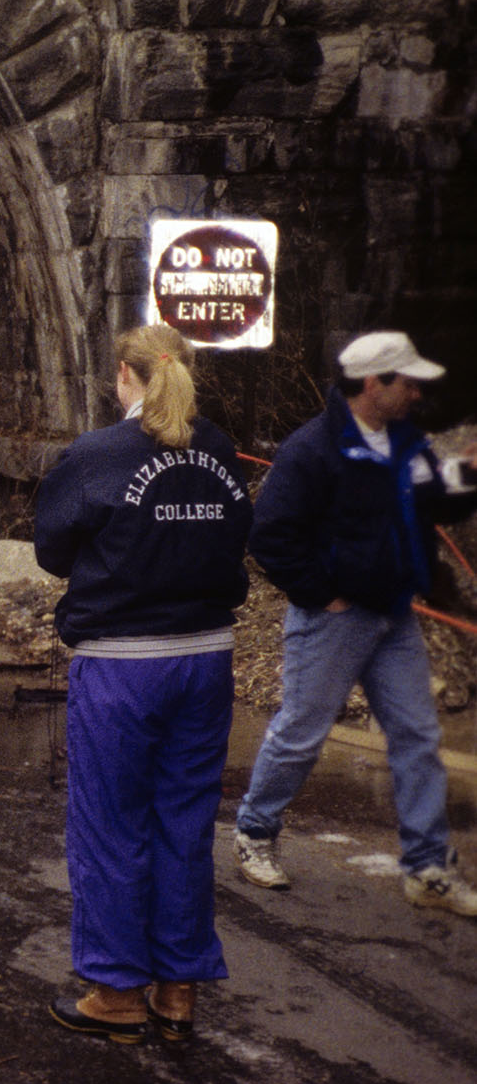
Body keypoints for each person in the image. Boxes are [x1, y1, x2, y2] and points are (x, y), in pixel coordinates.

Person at [33, 324, 253, 1045]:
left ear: (122, 377)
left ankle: (115, 991)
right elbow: (235, 534)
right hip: (206, 659)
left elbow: (53, 551)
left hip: (125, 663)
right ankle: (176, 988)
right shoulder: (217, 448)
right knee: (182, 823)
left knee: (109, 823)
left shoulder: (97, 455)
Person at [232, 331, 477, 915]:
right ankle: (255, 832)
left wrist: (466, 476)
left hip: (394, 615)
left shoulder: (405, 443)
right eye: (408, 381)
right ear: (374, 384)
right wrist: (323, 595)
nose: (418, 392)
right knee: (300, 734)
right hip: (333, 620)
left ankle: (426, 866)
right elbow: (269, 536)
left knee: (418, 737)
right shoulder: (311, 449)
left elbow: (432, 503)